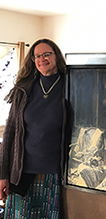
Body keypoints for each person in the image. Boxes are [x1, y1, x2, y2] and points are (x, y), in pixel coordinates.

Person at [0, 38, 67, 218]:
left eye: (46, 54)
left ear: (56, 57)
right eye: (37, 56)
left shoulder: (70, 87)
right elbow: (9, 135)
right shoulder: (23, 89)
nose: (41, 59)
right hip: (21, 174)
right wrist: (2, 174)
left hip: (54, 176)